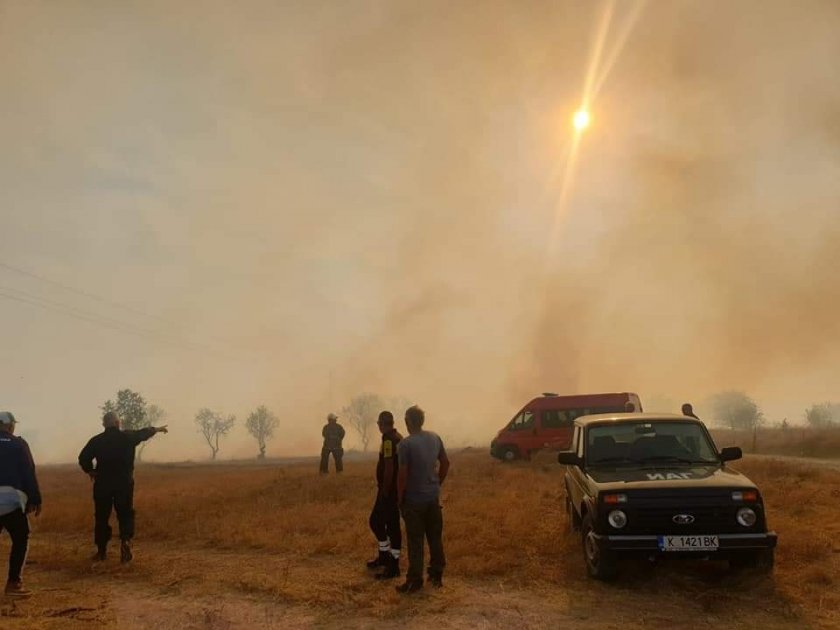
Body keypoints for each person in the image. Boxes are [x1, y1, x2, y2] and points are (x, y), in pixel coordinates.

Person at [78, 412, 168, 563]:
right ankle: (125, 541)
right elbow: (143, 433)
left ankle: (101, 552)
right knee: (125, 514)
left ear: (104, 424)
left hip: (102, 485)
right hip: (123, 484)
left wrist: (90, 470)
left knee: (101, 517)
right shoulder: (127, 437)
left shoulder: (96, 441)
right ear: (118, 423)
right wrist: (157, 429)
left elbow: (83, 458)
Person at [396, 405, 450, 594]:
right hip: (432, 498)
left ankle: (414, 580)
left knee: (415, 541)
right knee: (435, 539)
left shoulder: (405, 445)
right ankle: (436, 575)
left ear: (407, 421)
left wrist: (399, 497)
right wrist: (437, 484)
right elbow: (445, 462)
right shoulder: (435, 438)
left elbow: (402, 474)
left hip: (414, 500)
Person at [0, 412, 41, 598]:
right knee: (20, 537)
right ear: (9, 427)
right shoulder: (19, 444)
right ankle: (13, 584)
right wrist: (35, 499)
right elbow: (28, 472)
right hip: (10, 501)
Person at [366, 411, 403, 580]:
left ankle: (392, 564)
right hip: (394, 489)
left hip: (389, 490)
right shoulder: (397, 437)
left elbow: (389, 468)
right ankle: (384, 557)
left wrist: (385, 491)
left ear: (381, 423)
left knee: (379, 522)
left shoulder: (388, 440)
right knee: (387, 523)